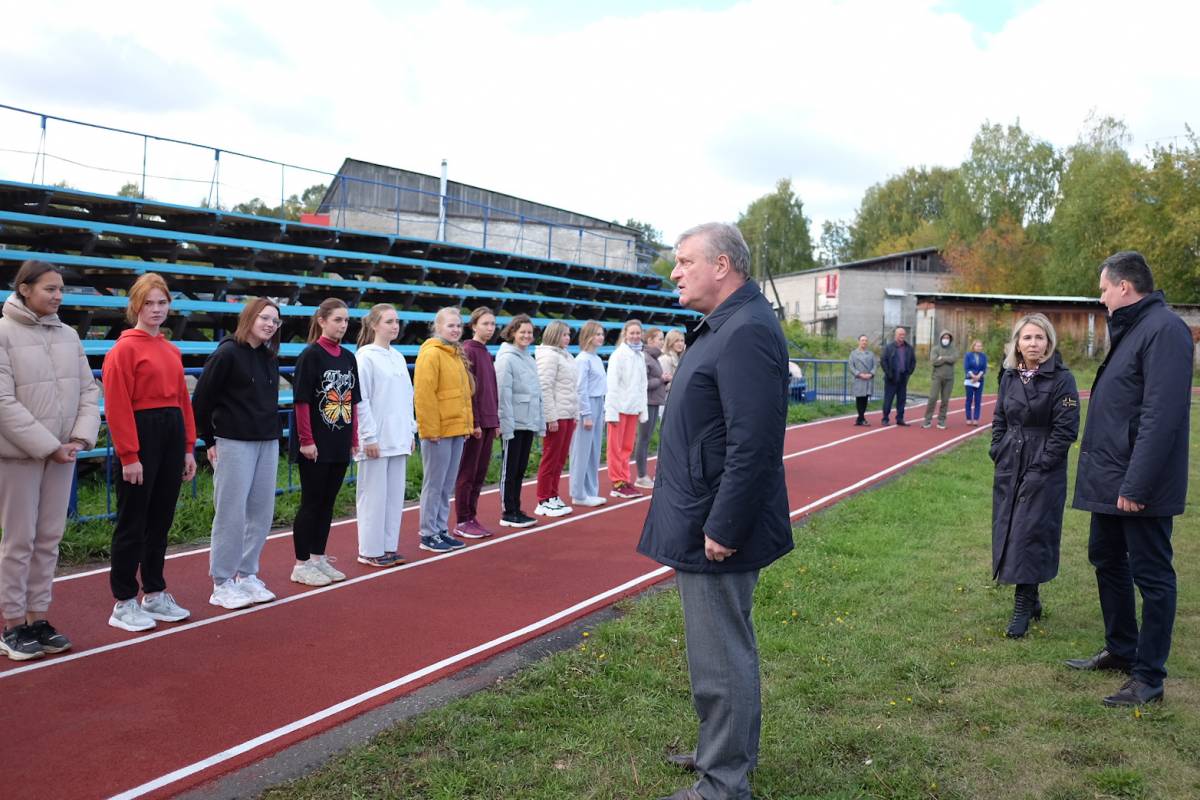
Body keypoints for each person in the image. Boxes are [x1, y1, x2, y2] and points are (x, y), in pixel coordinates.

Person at [639, 222, 791, 800]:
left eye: (683, 262)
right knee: (719, 649)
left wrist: (724, 526)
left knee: (721, 655)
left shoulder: (747, 329)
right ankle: (718, 753)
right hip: (701, 509)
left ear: (721, 265)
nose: (674, 273)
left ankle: (725, 782)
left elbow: (753, 442)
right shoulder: (729, 323)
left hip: (716, 520)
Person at [1066, 251, 1194, 707]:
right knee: (1106, 558)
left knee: (1152, 575)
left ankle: (1149, 677)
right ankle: (1122, 649)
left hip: (1139, 486)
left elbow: (1161, 417)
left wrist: (1136, 486)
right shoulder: (1134, 328)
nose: (1100, 297)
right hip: (1111, 478)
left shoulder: (1165, 330)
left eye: (1103, 288)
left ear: (1124, 287)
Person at [0, 260, 99, 659]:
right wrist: (48, 445)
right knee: (19, 540)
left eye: (61, 289)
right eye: (49, 289)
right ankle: (11, 625)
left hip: (63, 454)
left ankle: (38, 617)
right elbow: (3, 403)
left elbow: (89, 390)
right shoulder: (3, 334)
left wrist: (79, 437)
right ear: (25, 289)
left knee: (48, 539)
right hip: (20, 457)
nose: (58, 296)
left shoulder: (69, 335)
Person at [102, 273, 197, 631]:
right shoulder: (123, 349)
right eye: (149, 303)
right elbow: (116, 406)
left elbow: (182, 402)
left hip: (171, 435)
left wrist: (189, 448)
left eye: (162, 303)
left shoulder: (172, 349)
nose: (156, 309)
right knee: (133, 523)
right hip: (141, 436)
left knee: (160, 520)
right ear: (135, 306)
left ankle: (155, 593)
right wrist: (129, 455)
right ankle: (123, 601)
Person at [988, 314, 1078, 639]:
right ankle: (1034, 597)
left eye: (1039, 338)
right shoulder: (1009, 376)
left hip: (1043, 464)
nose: (1033, 344)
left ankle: (1022, 604)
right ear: (1017, 343)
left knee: (1031, 531)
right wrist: (997, 448)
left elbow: (1066, 429)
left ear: (1049, 342)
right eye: (1027, 338)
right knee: (1012, 528)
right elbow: (999, 416)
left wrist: (1042, 466)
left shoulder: (1062, 380)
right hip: (1010, 460)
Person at [191, 298, 283, 609]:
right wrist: (208, 440)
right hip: (234, 442)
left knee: (260, 512)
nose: (270, 324)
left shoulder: (269, 356)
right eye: (264, 318)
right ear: (249, 318)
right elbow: (201, 401)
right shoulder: (227, 353)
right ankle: (222, 582)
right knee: (230, 513)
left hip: (267, 442)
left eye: (275, 320)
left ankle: (247, 574)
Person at [289, 298, 359, 586]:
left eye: (345, 321)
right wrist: (306, 440)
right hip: (315, 443)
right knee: (311, 502)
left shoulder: (348, 356)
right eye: (337, 320)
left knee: (328, 503)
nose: (342, 326)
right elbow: (302, 402)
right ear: (322, 321)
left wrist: (353, 440)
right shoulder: (311, 355)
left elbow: (354, 402)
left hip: (339, 441)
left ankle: (318, 557)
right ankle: (301, 563)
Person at [354, 303, 416, 567]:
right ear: (374, 325)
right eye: (389, 321)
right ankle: (369, 549)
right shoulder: (364, 357)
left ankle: (388, 546)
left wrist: (410, 429)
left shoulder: (398, 356)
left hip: (398, 437)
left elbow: (406, 398)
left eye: (396, 321)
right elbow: (362, 399)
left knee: (393, 497)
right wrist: (368, 436)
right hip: (376, 439)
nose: (394, 326)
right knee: (373, 496)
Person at [413, 307, 474, 553]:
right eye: (450, 325)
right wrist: (429, 430)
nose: (456, 329)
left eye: (458, 325)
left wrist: (467, 424)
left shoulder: (455, 354)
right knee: (434, 483)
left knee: (447, 484)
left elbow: (462, 396)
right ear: (438, 327)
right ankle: (428, 533)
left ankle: (440, 529)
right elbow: (424, 396)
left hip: (456, 428)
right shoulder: (431, 354)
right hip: (438, 431)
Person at [454, 307, 500, 540]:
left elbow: (492, 389)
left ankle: (472, 516)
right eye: (485, 324)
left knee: (480, 473)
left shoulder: (486, 351)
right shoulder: (469, 350)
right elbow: (469, 391)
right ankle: (462, 519)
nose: (490, 328)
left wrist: (496, 420)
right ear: (474, 326)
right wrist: (475, 421)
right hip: (476, 423)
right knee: (467, 472)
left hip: (490, 420)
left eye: (492, 324)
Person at [495, 314, 544, 528]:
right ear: (513, 332)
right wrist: (506, 424)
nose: (526, 336)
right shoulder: (506, 358)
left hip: (527, 421)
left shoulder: (529, 358)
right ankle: (508, 510)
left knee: (520, 468)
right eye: (522, 332)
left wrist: (537, 421)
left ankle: (517, 507)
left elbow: (535, 393)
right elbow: (503, 393)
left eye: (529, 333)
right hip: (513, 422)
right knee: (510, 468)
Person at [534, 321, 578, 517]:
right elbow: (545, 387)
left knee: (560, 459)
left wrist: (574, 414)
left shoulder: (566, 355)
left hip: (567, 414)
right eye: (564, 335)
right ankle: (543, 498)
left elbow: (571, 388)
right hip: (557, 415)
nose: (567, 338)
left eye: (568, 335)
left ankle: (552, 494)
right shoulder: (548, 356)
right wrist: (550, 417)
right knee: (550, 457)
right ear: (554, 335)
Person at [605, 319, 648, 498]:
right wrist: (612, 411)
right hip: (620, 407)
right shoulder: (618, 355)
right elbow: (612, 384)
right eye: (632, 333)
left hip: (633, 407)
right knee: (615, 447)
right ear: (625, 334)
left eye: (638, 333)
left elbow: (642, 384)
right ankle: (617, 482)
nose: (635, 336)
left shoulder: (640, 355)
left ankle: (625, 478)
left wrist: (642, 408)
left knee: (627, 447)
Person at [568, 320, 607, 508]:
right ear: (588, 336)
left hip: (599, 402)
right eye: (597, 334)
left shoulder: (597, 358)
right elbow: (580, 388)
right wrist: (586, 413)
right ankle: (578, 493)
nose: (600, 337)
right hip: (587, 405)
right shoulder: (582, 359)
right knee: (581, 451)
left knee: (594, 451)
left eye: (601, 334)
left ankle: (591, 491)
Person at [633, 327, 669, 489]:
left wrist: (664, 380)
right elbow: (643, 384)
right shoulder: (646, 358)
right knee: (643, 439)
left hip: (654, 402)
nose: (662, 341)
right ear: (650, 341)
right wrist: (661, 380)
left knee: (646, 438)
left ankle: (643, 474)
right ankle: (641, 475)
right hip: (646, 403)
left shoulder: (654, 358)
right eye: (660, 338)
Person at [923, 329, 958, 429]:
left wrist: (942, 358)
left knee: (945, 400)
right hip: (937, 377)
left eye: (947, 338)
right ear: (941, 338)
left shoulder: (954, 349)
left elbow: (953, 359)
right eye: (944, 337)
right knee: (933, 398)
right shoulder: (935, 349)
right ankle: (927, 419)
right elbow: (934, 361)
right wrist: (946, 359)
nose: (945, 339)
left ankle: (941, 420)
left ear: (950, 339)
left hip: (949, 378)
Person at [880, 327, 915, 426]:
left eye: (903, 334)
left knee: (902, 399)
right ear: (895, 335)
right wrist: (888, 373)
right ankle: (885, 418)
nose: (902, 336)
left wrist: (909, 372)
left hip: (903, 377)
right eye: (900, 334)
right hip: (891, 378)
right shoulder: (889, 347)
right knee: (888, 399)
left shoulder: (909, 348)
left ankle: (900, 418)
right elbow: (883, 361)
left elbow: (913, 361)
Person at [849, 335, 876, 426]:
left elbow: (875, 365)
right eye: (862, 340)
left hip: (868, 379)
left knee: (865, 399)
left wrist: (871, 374)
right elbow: (851, 366)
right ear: (859, 341)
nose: (864, 342)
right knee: (859, 398)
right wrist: (859, 374)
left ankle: (860, 418)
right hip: (859, 379)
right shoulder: (853, 354)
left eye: (865, 340)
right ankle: (861, 418)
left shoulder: (871, 354)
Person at [658, 329, 686, 410]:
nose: (680, 344)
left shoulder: (680, 358)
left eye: (682, 341)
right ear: (670, 343)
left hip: (676, 399)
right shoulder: (665, 359)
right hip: (665, 401)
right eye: (676, 341)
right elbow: (664, 385)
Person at [963, 339, 988, 427]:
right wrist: (973, 376)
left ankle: (976, 419)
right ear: (973, 346)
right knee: (969, 400)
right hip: (970, 380)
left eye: (980, 346)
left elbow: (984, 368)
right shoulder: (968, 355)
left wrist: (978, 376)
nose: (979, 347)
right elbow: (966, 367)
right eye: (977, 346)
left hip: (980, 380)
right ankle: (968, 418)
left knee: (978, 400)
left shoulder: (983, 356)